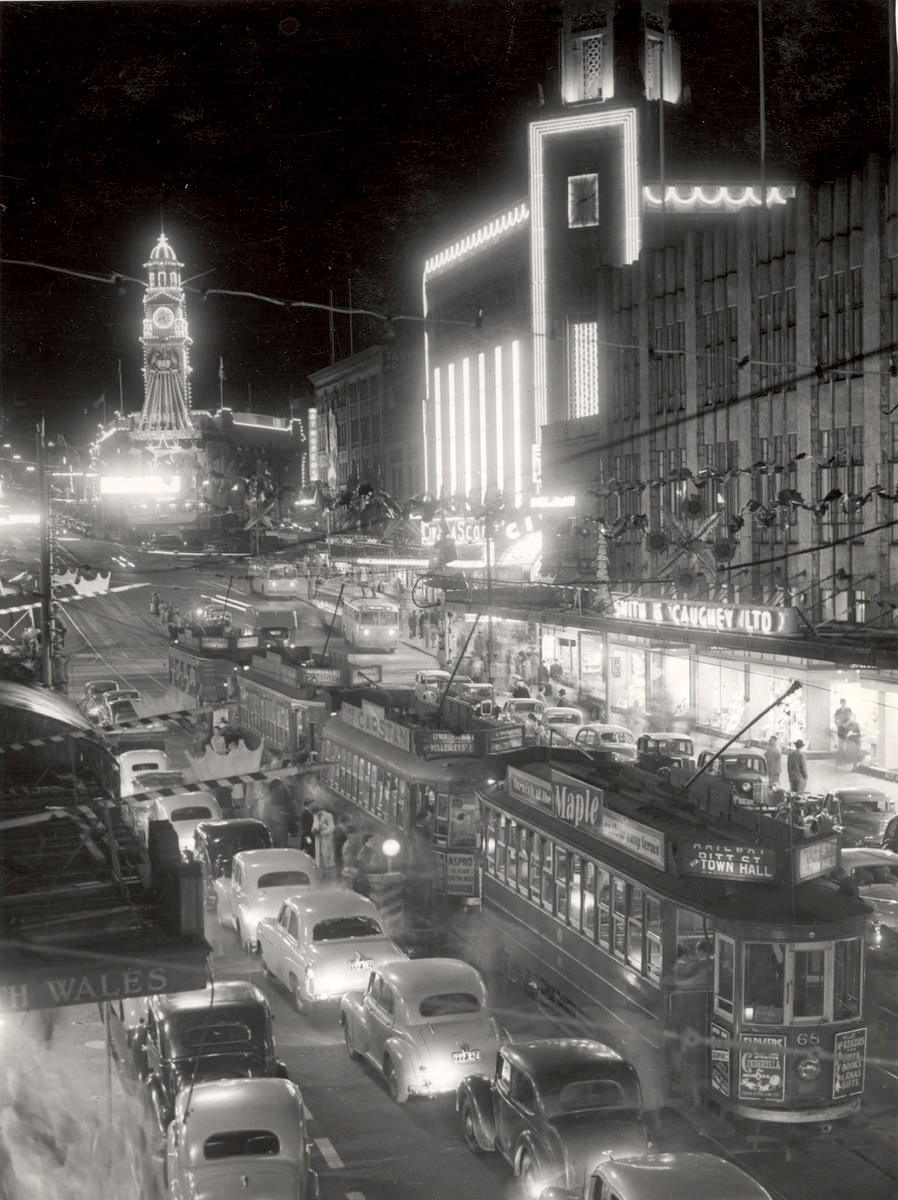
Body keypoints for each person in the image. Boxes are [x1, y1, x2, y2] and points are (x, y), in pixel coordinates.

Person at [312, 808, 336, 877]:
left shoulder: (328, 815)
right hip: (318, 840)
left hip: (327, 839)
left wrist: (322, 832)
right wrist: (313, 830)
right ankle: (321, 874)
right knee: (319, 858)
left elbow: (332, 828)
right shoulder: (315, 816)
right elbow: (314, 826)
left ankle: (329, 876)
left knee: (328, 857)